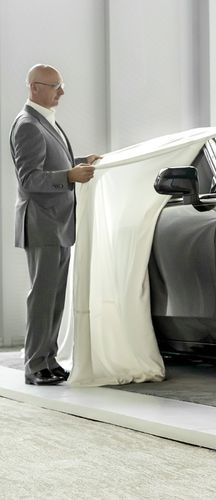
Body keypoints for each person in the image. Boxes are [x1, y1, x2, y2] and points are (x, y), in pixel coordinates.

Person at [10, 64, 101, 385]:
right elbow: (30, 179)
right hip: (42, 224)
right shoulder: (28, 125)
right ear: (34, 88)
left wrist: (79, 164)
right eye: (55, 86)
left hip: (58, 223)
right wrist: (69, 176)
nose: (61, 92)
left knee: (54, 296)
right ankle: (35, 366)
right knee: (42, 297)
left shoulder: (45, 121)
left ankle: (48, 360)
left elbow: (52, 164)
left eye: (61, 86)